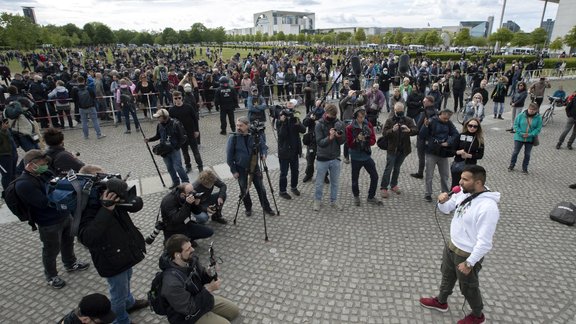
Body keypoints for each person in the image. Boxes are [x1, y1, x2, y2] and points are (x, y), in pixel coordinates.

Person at [420, 165, 500, 324]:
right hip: (452, 245)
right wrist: (442, 201)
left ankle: (478, 315)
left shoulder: (488, 208)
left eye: (465, 179)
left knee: (468, 286)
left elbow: (485, 243)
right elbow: (446, 209)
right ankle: (441, 302)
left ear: (478, 183)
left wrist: (470, 262)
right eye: (460, 178)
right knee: (447, 274)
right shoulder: (463, 192)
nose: (460, 182)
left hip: (467, 254)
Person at [78, 164, 149, 324]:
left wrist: (123, 192)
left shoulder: (107, 195)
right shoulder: (85, 205)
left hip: (124, 250)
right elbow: (89, 238)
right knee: (118, 294)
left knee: (127, 279)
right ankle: (122, 320)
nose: (107, 181)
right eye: (102, 178)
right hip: (110, 258)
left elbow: (136, 206)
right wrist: (106, 208)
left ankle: (129, 303)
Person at [15, 150, 90, 289]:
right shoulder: (23, 184)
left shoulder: (45, 173)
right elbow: (43, 202)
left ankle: (70, 263)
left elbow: (59, 185)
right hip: (48, 223)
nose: (45, 166)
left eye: (46, 163)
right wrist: (61, 193)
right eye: (42, 164)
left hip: (64, 215)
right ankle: (51, 276)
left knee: (68, 242)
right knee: (51, 250)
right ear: (31, 165)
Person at [160, 234, 240, 324]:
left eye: (191, 246)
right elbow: (189, 308)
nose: (193, 249)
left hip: (201, 299)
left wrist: (209, 273)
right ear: (177, 255)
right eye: (188, 249)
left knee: (234, 311)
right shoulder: (171, 283)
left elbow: (202, 276)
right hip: (187, 316)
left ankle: (209, 314)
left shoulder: (190, 260)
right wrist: (209, 289)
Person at [226, 116, 275, 217]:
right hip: (240, 167)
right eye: (237, 125)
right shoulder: (233, 138)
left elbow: (263, 147)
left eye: (241, 125)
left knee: (261, 188)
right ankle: (248, 208)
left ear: (247, 126)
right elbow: (229, 157)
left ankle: (266, 207)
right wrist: (233, 170)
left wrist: (263, 154)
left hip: (254, 166)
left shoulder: (254, 134)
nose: (238, 127)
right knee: (244, 188)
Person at [419, 109, 459, 202]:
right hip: (431, 152)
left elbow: (455, 134)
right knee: (429, 174)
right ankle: (428, 194)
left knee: (445, 175)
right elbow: (421, 135)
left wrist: (448, 142)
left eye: (448, 118)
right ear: (440, 114)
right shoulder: (431, 121)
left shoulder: (448, 123)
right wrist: (425, 126)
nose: (446, 120)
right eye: (445, 118)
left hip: (443, 152)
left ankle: (445, 193)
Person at [380, 102, 418, 198]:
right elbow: (384, 133)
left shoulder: (408, 120)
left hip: (403, 149)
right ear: (395, 110)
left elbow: (416, 130)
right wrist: (392, 130)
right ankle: (384, 187)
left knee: (397, 168)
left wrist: (409, 130)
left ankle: (393, 184)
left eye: (401, 111)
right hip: (392, 149)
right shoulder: (390, 120)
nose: (400, 113)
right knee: (389, 168)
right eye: (398, 111)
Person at [145, 109, 189, 188]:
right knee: (169, 168)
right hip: (164, 150)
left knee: (178, 167)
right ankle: (176, 182)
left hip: (174, 150)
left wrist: (176, 147)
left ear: (164, 117)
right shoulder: (159, 125)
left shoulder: (175, 124)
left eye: (159, 117)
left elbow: (182, 137)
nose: (157, 119)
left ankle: (186, 182)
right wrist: (149, 139)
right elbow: (158, 136)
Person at [345, 107, 381, 206]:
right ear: (356, 117)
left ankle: (371, 196)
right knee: (355, 178)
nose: (362, 119)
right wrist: (356, 140)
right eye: (360, 117)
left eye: (363, 117)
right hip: (356, 156)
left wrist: (366, 140)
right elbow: (349, 144)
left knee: (375, 176)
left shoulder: (368, 124)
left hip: (366, 155)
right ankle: (356, 196)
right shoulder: (350, 127)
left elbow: (373, 140)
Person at [313, 104, 346, 211]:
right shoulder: (319, 124)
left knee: (335, 182)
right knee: (319, 182)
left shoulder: (339, 123)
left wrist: (338, 137)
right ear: (325, 113)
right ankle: (317, 201)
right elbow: (319, 142)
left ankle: (334, 200)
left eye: (334, 116)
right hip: (322, 158)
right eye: (330, 115)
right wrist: (330, 137)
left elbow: (342, 141)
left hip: (335, 157)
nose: (332, 117)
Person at [276, 99, 306, 200]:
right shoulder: (279, 120)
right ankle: (282, 191)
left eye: (291, 105)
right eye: (287, 105)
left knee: (295, 171)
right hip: (284, 151)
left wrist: (297, 122)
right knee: (284, 172)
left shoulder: (295, 118)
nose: (289, 107)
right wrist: (284, 122)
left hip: (294, 150)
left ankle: (294, 187)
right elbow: (281, 135)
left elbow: (303, 130)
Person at [169, 91, 203, 173]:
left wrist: (196, 130)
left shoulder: (188, 107)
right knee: (185, 152)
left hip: (191, 132)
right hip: (180, 135)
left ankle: (200, 166)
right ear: (173, 99)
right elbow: (171, 123)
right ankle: (188, 166)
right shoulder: (172, 110)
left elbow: (195, 119)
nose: (178, 100)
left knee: (195, 151)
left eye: (179, 98)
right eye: (175, 98)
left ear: (182, 98)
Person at [508, 103, 542, 174]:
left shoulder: (538, 118)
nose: (531, 111)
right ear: (528, 108)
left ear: (536, 110)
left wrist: (530, 134)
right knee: (515, 152)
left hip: (530, 139)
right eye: (530, 109)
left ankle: (525, 168)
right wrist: (520, 133)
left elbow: (538, 128)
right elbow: (516, 125)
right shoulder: (520, 115)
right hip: (519, 138)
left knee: (527, 154)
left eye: (533, 110)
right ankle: (512, 165)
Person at [451, 118, 485, 188]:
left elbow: (480, 155)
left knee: (467, 186)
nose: (472, 128)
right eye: (470, 125)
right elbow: (452, 150)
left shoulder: (479, 139)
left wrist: (469, 155)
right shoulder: (460, 136)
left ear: (478, 128)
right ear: (467, 125)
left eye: (475, 126)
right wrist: (458, 152)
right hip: (458, 164)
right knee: (455, 185)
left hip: (470, 166)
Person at [410, 96, 437, 179]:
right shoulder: (436, 112)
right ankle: (429, 172)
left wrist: (411, 131)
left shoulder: (424, 113)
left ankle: (420, 173)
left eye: (425, 102)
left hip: (422, 138)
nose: (423, 103)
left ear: (430, 102)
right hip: (431, 138)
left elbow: (418, 126)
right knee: (429, 156)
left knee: (421, 156)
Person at [301, 100, 327, 183]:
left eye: (320, 105)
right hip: (312, 140)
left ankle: (324, 175)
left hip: (322, 140)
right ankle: (309, 174)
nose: (318, 106)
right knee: (310, 159)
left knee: (323, 159)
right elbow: (304, 123)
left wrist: (320, 122)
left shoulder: (325, 114)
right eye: (317, 105)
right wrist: (310, 119)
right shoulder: (311, 112)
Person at [339, 89, 365, 164]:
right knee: (347, 140)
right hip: (347, 122)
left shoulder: (356, 102)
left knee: (357, 138)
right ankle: (346, 156)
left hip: (355, 122)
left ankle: (356, 154)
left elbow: (364, 101)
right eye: (352, 94)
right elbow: (341, 103)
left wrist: (364, 95)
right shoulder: (345, 103)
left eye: (354, 94)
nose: (353, 95)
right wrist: (348, 96)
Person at [0, 115, 18, 196]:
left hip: (12, 155)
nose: (8, 124)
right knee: (7, 175)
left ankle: (13, 189)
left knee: (13, 173)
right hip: (3, 157)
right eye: (6, 123)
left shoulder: (7, 131)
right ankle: (7, 192)